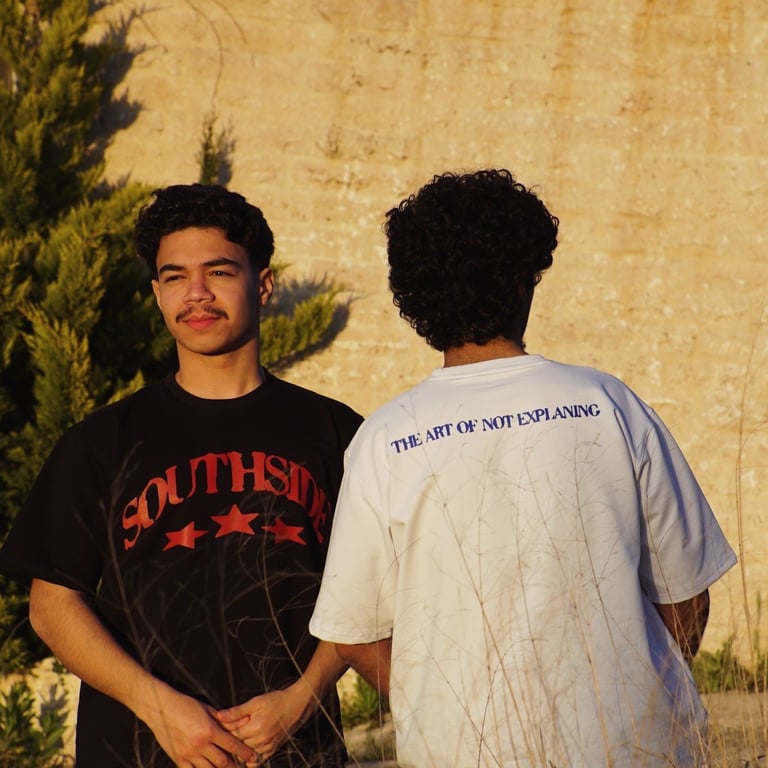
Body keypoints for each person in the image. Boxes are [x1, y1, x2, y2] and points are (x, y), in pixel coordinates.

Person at [309, 169, 737, 767]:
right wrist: (634, 688)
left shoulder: (385, 438)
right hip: (636, 748)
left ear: (416, 295)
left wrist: (442, 707)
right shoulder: (608, 403)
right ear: (522, 280)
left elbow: (356, 634)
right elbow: (686, 596)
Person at [0, 184, 362, 768]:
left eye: (218, 271)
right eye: (174, 277)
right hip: (136, 748)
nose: (196, 294)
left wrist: (302, 699)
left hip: (296, 750)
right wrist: (161, 708)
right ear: (156, 292)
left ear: (262, 284)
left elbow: (368, 593)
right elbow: (52, 603)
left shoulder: (337, 433)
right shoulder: (102, 442)